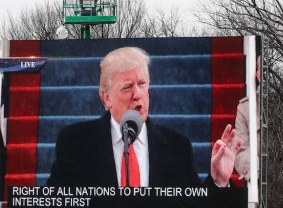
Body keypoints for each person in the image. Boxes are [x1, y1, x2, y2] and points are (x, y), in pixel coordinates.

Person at [47, 47, 241, 189]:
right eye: (127, 87)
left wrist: (218, 181)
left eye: (142, 84)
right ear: (106, 98)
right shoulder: (75, 142)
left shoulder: (176, 146)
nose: (137, 94)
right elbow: (54, 202)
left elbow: (194, 207)